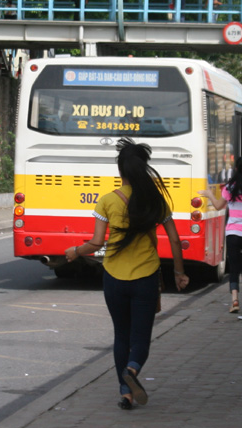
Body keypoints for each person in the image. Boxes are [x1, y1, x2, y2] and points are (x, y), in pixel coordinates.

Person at [64, 138, 189, 409]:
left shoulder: (107, 201)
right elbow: (176, 241)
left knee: (121, 335)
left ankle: (125, 393)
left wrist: (75, 250)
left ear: (120, 171)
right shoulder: (155, 201)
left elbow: (97, 243)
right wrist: (179, 272)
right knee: (140, 338)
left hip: (114, 279)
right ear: (144, 168)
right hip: (145, 278)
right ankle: (132, 371)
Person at [199, 157, 242, 313]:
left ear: (236, 169)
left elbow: (217, 206)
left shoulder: (229, 187)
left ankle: (235, 300)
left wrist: (209, 194)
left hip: (233, 233)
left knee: (234, 268)